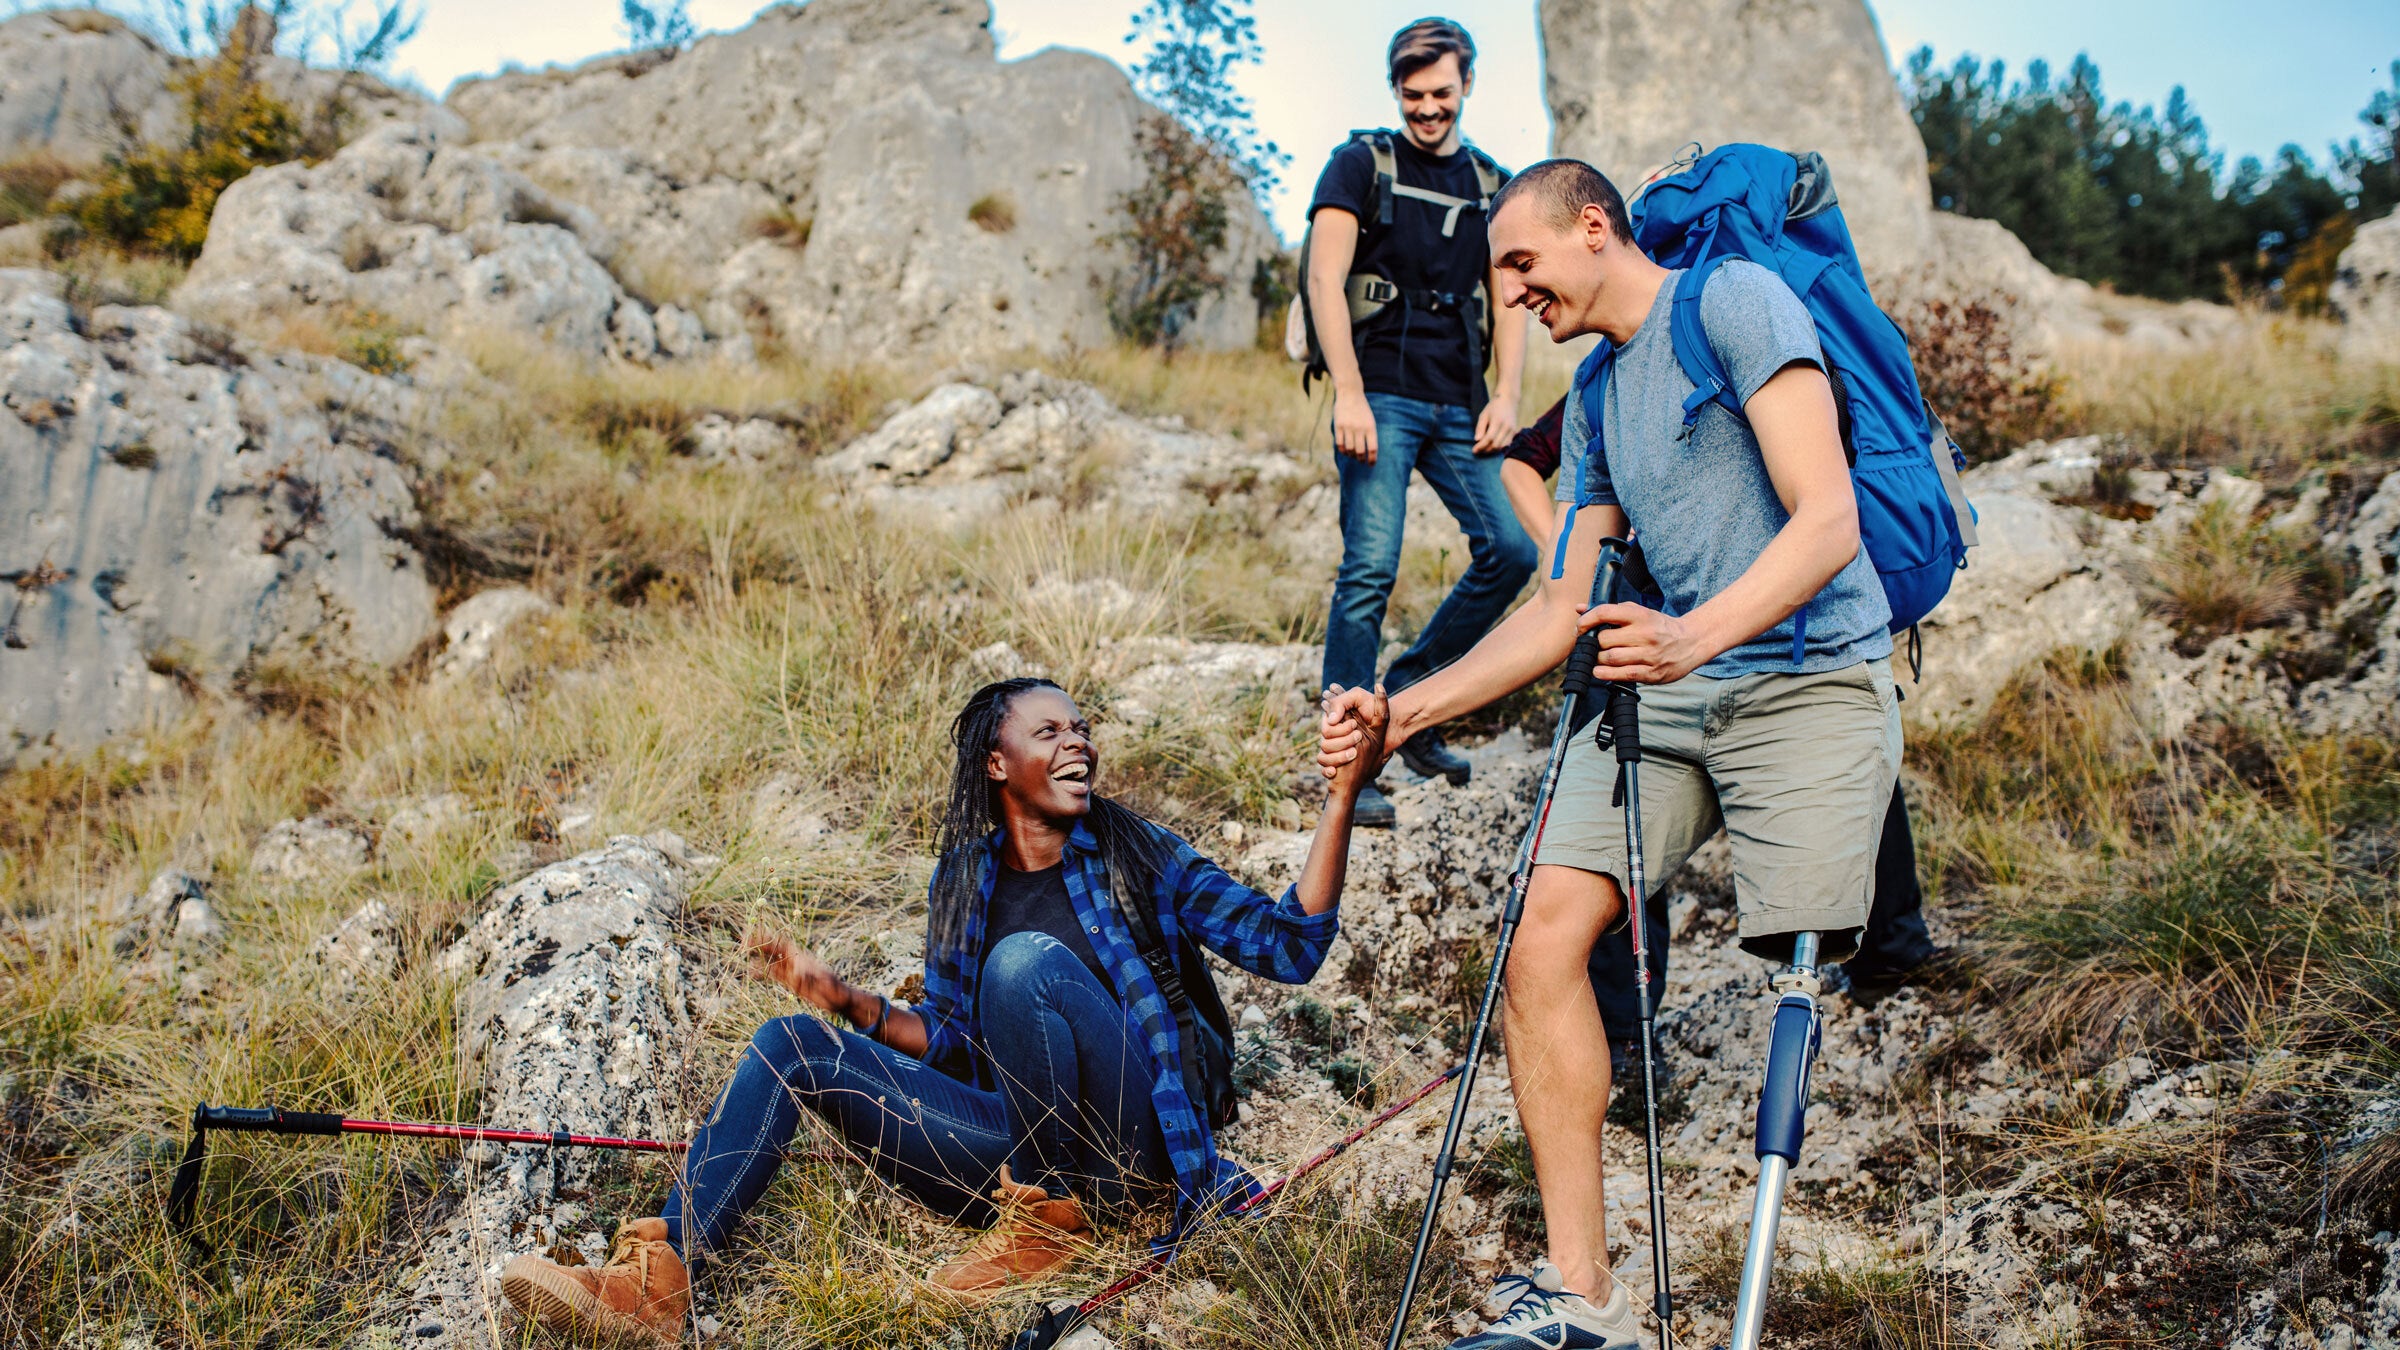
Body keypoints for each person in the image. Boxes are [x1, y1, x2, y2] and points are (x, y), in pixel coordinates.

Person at [1321, 158, 1902, 1349]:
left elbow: (1828, 519)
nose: (1514, 296)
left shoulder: (1733, 305)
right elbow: (1558, 605)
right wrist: (1406, 712)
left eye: (1523, 265)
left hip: (1808, 680)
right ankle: (1584, 1300)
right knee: (1542, 943)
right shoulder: (1592, 398)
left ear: (1595, 229)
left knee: (1796, 980)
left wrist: (1690, 632)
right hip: (1672, 685)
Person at [500, 677, 1387, 1344]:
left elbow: (1291, 945)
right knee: (787, 1046)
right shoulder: (963, 881)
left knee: (1025, 966)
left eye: (1082, 728)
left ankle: (1052, 1223)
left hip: (1133, 1154)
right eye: (1051, 731)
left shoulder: (1135, 850)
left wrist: (1343, 793)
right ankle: (657, 1284)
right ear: (998, 763)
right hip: (1011, 1151)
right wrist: (834, 996)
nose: (1077, 743)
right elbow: (958, 1047)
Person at [1498, 399, 1952, 1050]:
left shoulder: (1676, 352)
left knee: (1624, 810)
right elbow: (1525, 464)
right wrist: (1566, 560)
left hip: (1680, 626)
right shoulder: (1630, 367)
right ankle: (1895, 946)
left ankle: (1624, 1029)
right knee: (1850, 758)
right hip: (1787, 624)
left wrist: (1581, 568)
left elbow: (1520, 460)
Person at [1306, 16, 1538, 827]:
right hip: (1379, 395)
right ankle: (1350, 758)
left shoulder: (1491, 185)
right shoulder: (1359, 164)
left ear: (1467, 86)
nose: (1428, 110)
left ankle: (1411, 697)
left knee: (1511, 549)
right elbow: (1324, 279)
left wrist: (1506, 394)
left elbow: (1510, 296)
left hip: (1459, 401)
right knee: (1370, 569)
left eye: (1442, 94)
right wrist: (1348, 393)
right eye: (1414, 96)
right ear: (1396, 90)